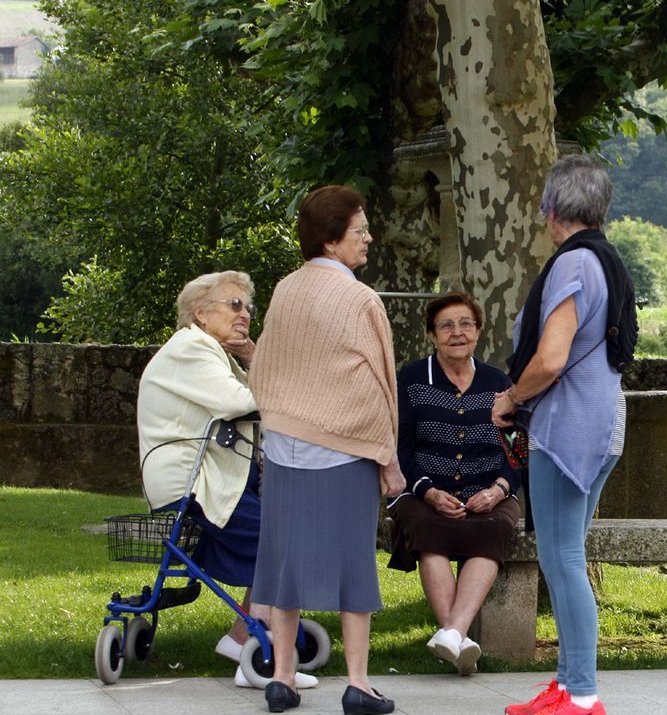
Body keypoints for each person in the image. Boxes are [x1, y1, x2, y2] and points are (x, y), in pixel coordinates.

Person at [249, 185, 405, 715]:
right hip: (345, 449)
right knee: (353, 564)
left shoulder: (285, 288)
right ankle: (358, 683)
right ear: (332, 240)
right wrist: (387, 454)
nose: (368, 238)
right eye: (359, 230)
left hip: (286, 446)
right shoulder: (360, 298)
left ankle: (284, 678)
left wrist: (284, 417)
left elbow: (265, 365)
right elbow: (379, 383)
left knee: (283, 563)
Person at [491, 154, 637, 715]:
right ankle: (568, 683)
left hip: (567, 430)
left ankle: (581, 695)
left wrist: (510, 398)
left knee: (562, 559)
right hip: (601, 424)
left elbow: (550, 359)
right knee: (565, 554)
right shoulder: (606, 260)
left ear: (551, 208)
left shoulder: (574, 264)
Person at [138, 271, 319, 691]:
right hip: (194, 482)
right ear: (200, 313)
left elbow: (254, 395)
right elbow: (245, 402)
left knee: (285, 536)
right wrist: (265, 371)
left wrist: (255, 360)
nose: (245, 315)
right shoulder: (191, 349)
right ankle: (254, 650)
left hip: (210, 478)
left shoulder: (210, 352)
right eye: (234, 304)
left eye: (248, 308)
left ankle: (246, 639)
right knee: (283, 540)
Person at [386, 291, 521, 676]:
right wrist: (428, 490)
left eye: (465, 324)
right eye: (446, 325)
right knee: (429, 525)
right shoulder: (411, 380)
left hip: (488, 490)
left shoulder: (500, 384)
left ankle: (451, 635)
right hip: (422, 491)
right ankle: (457, 638)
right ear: (432, 334)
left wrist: (497, 490)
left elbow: (516, 450)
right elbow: (401, 449)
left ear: (478, 332)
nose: (456, 332)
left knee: (493, 527)